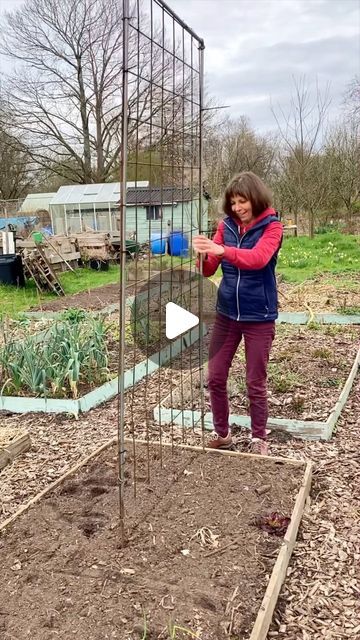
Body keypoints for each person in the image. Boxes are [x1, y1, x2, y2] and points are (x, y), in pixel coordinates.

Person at [192, 171, 283, 455]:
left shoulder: (272, 227)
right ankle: (223, 433)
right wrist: (203, 254)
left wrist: (222, 250)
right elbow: (208, 270)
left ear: (255, 199)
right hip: (227, 314)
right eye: (232, 203)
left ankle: (259, 439)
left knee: (255, 381)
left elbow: (257, 260)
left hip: (259, 315)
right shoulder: (226, 227)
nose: (237, 208)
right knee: (215, 376)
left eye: (242, 201)